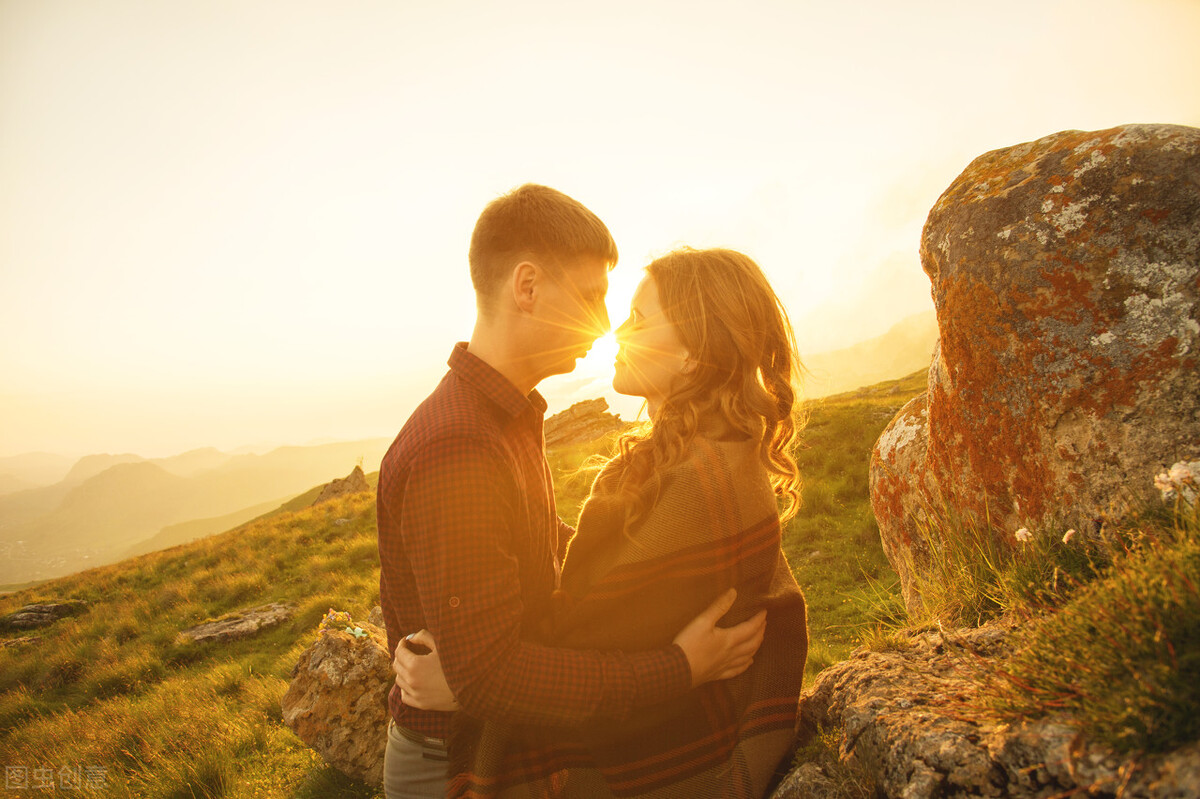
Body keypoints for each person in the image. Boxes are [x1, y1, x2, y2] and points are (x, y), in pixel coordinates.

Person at [377, 186, 769, 799]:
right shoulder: (459, 448)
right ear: (527, 288)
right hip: (452, 762)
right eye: (591, 297)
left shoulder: (506, 418)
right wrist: (680, 668)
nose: (605, 322)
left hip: (495, 736)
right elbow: (495, 680)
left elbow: (527, 564)